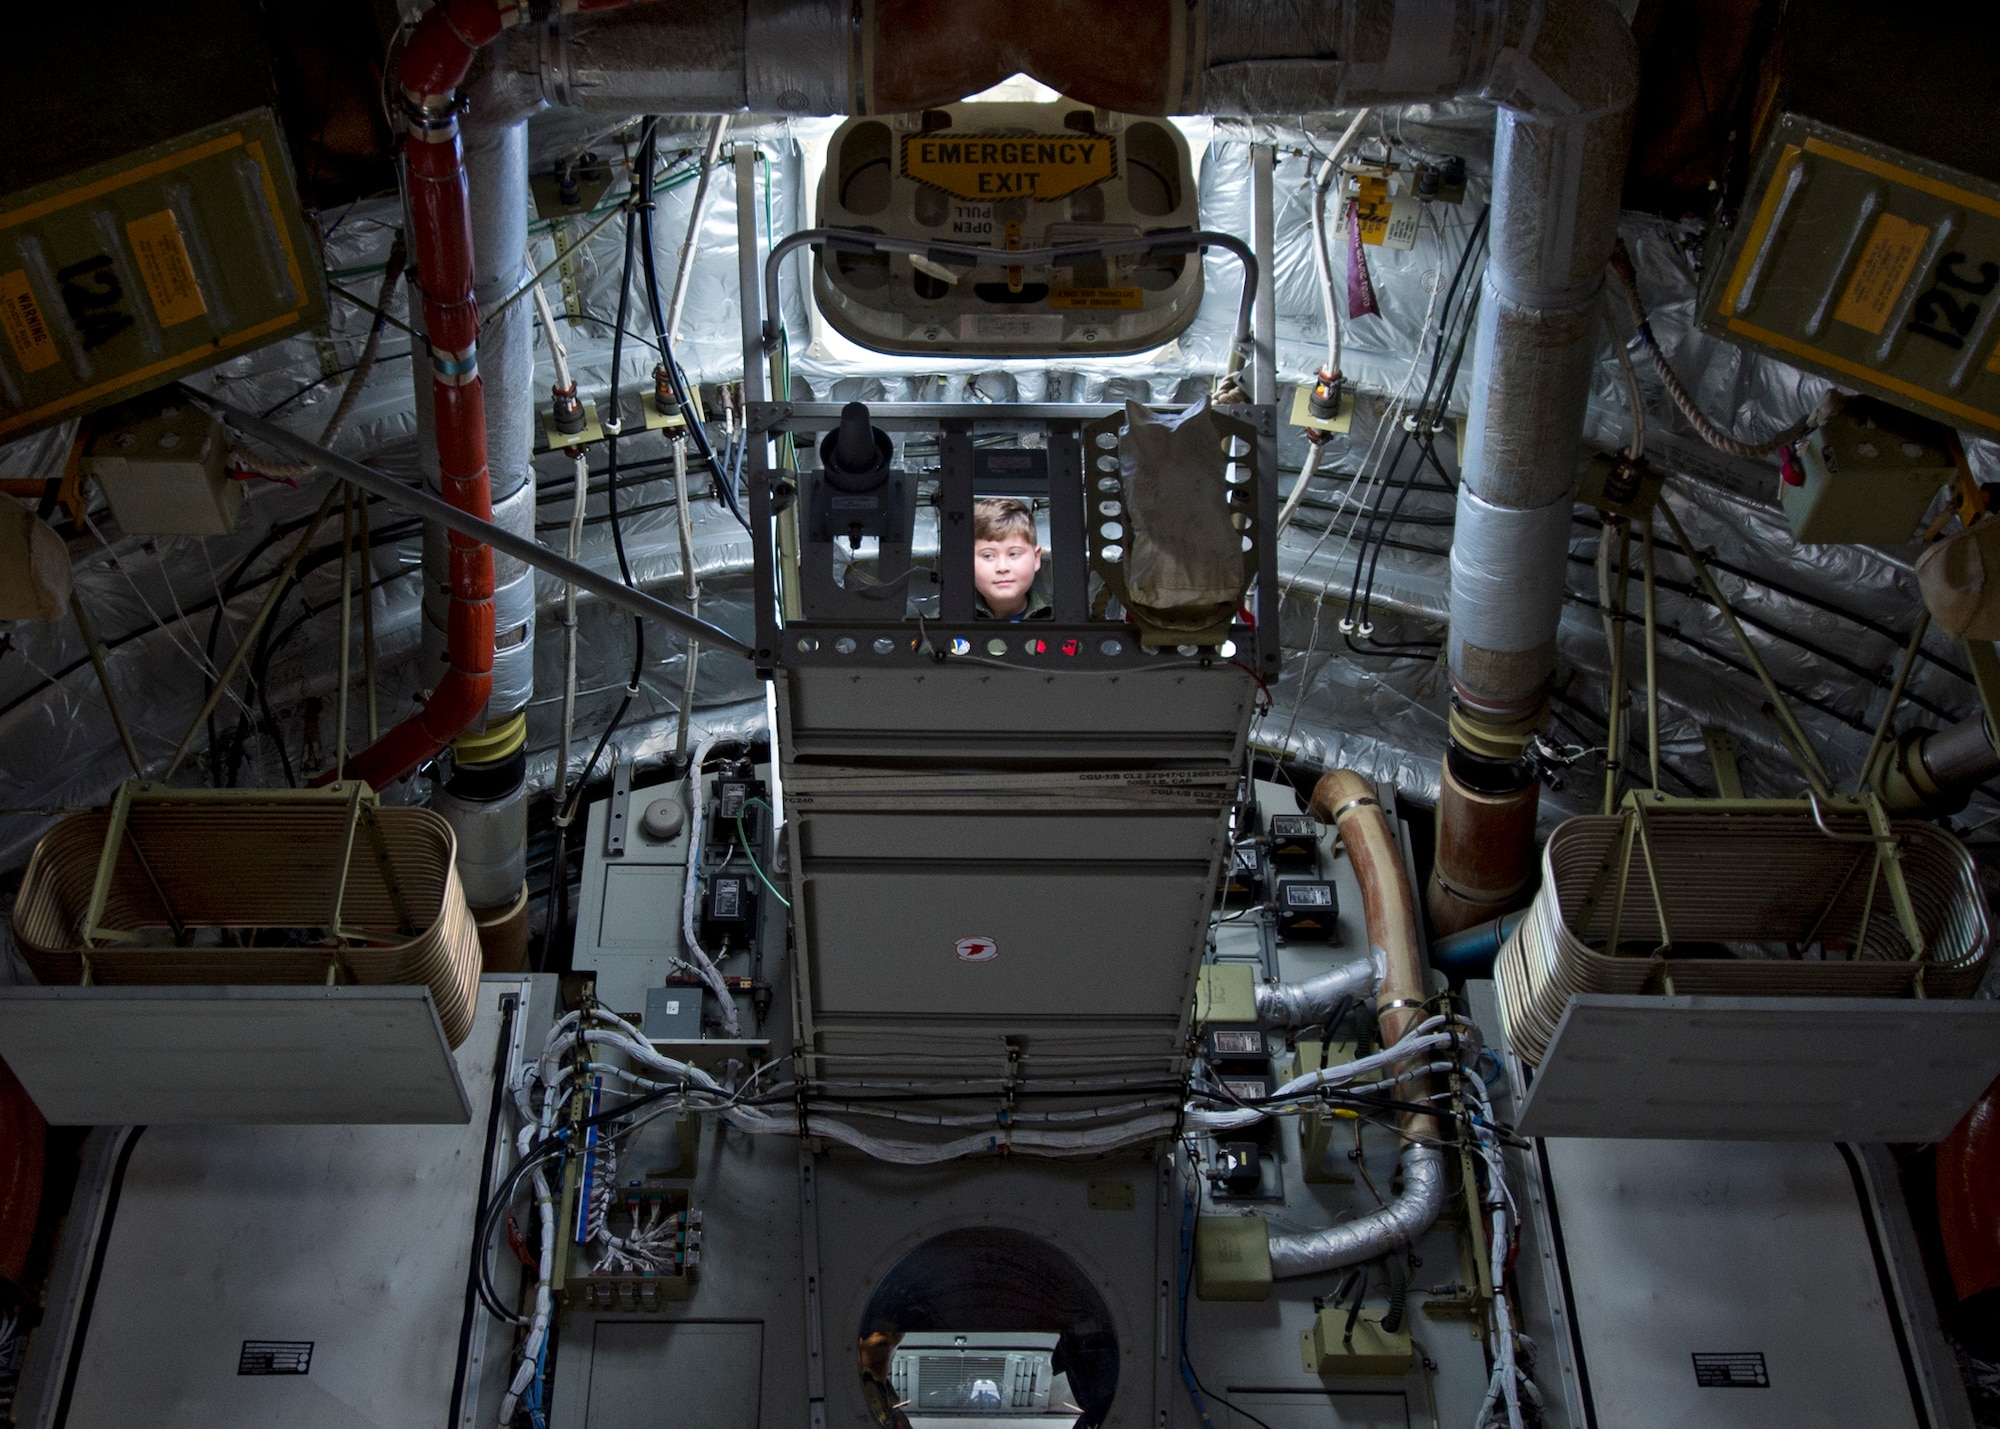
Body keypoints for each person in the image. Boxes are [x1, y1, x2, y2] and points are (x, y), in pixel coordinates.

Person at [972, 497, 1052, 620]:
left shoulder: (1059, 619)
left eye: (1014, 554)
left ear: (1036, 558)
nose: (1002, 567)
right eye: (988, 556)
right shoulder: (942, 622)